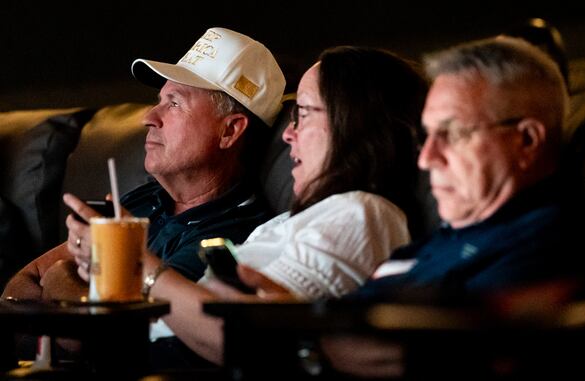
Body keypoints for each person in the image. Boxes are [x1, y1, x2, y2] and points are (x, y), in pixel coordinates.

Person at [110, 45, 427, 369]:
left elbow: (248, 336)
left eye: (303, 114)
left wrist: (136, 262)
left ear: (353, 123)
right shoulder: (288, 222)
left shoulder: (363, 212)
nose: (288, 135)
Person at [317, 36, 585, 379]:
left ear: (526, 140)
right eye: (428, 135)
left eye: (452, 133)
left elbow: (426, 354)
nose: (426, 158)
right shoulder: (433, 242)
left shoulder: (549, 247)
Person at [1, 27, 286, 299]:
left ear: (229, 131)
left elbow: (133, 329)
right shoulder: (148, 198)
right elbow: (22, 283)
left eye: (174, 103)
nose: (148, 118)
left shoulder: (229, 237)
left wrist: (60, 275)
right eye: (159, 100)